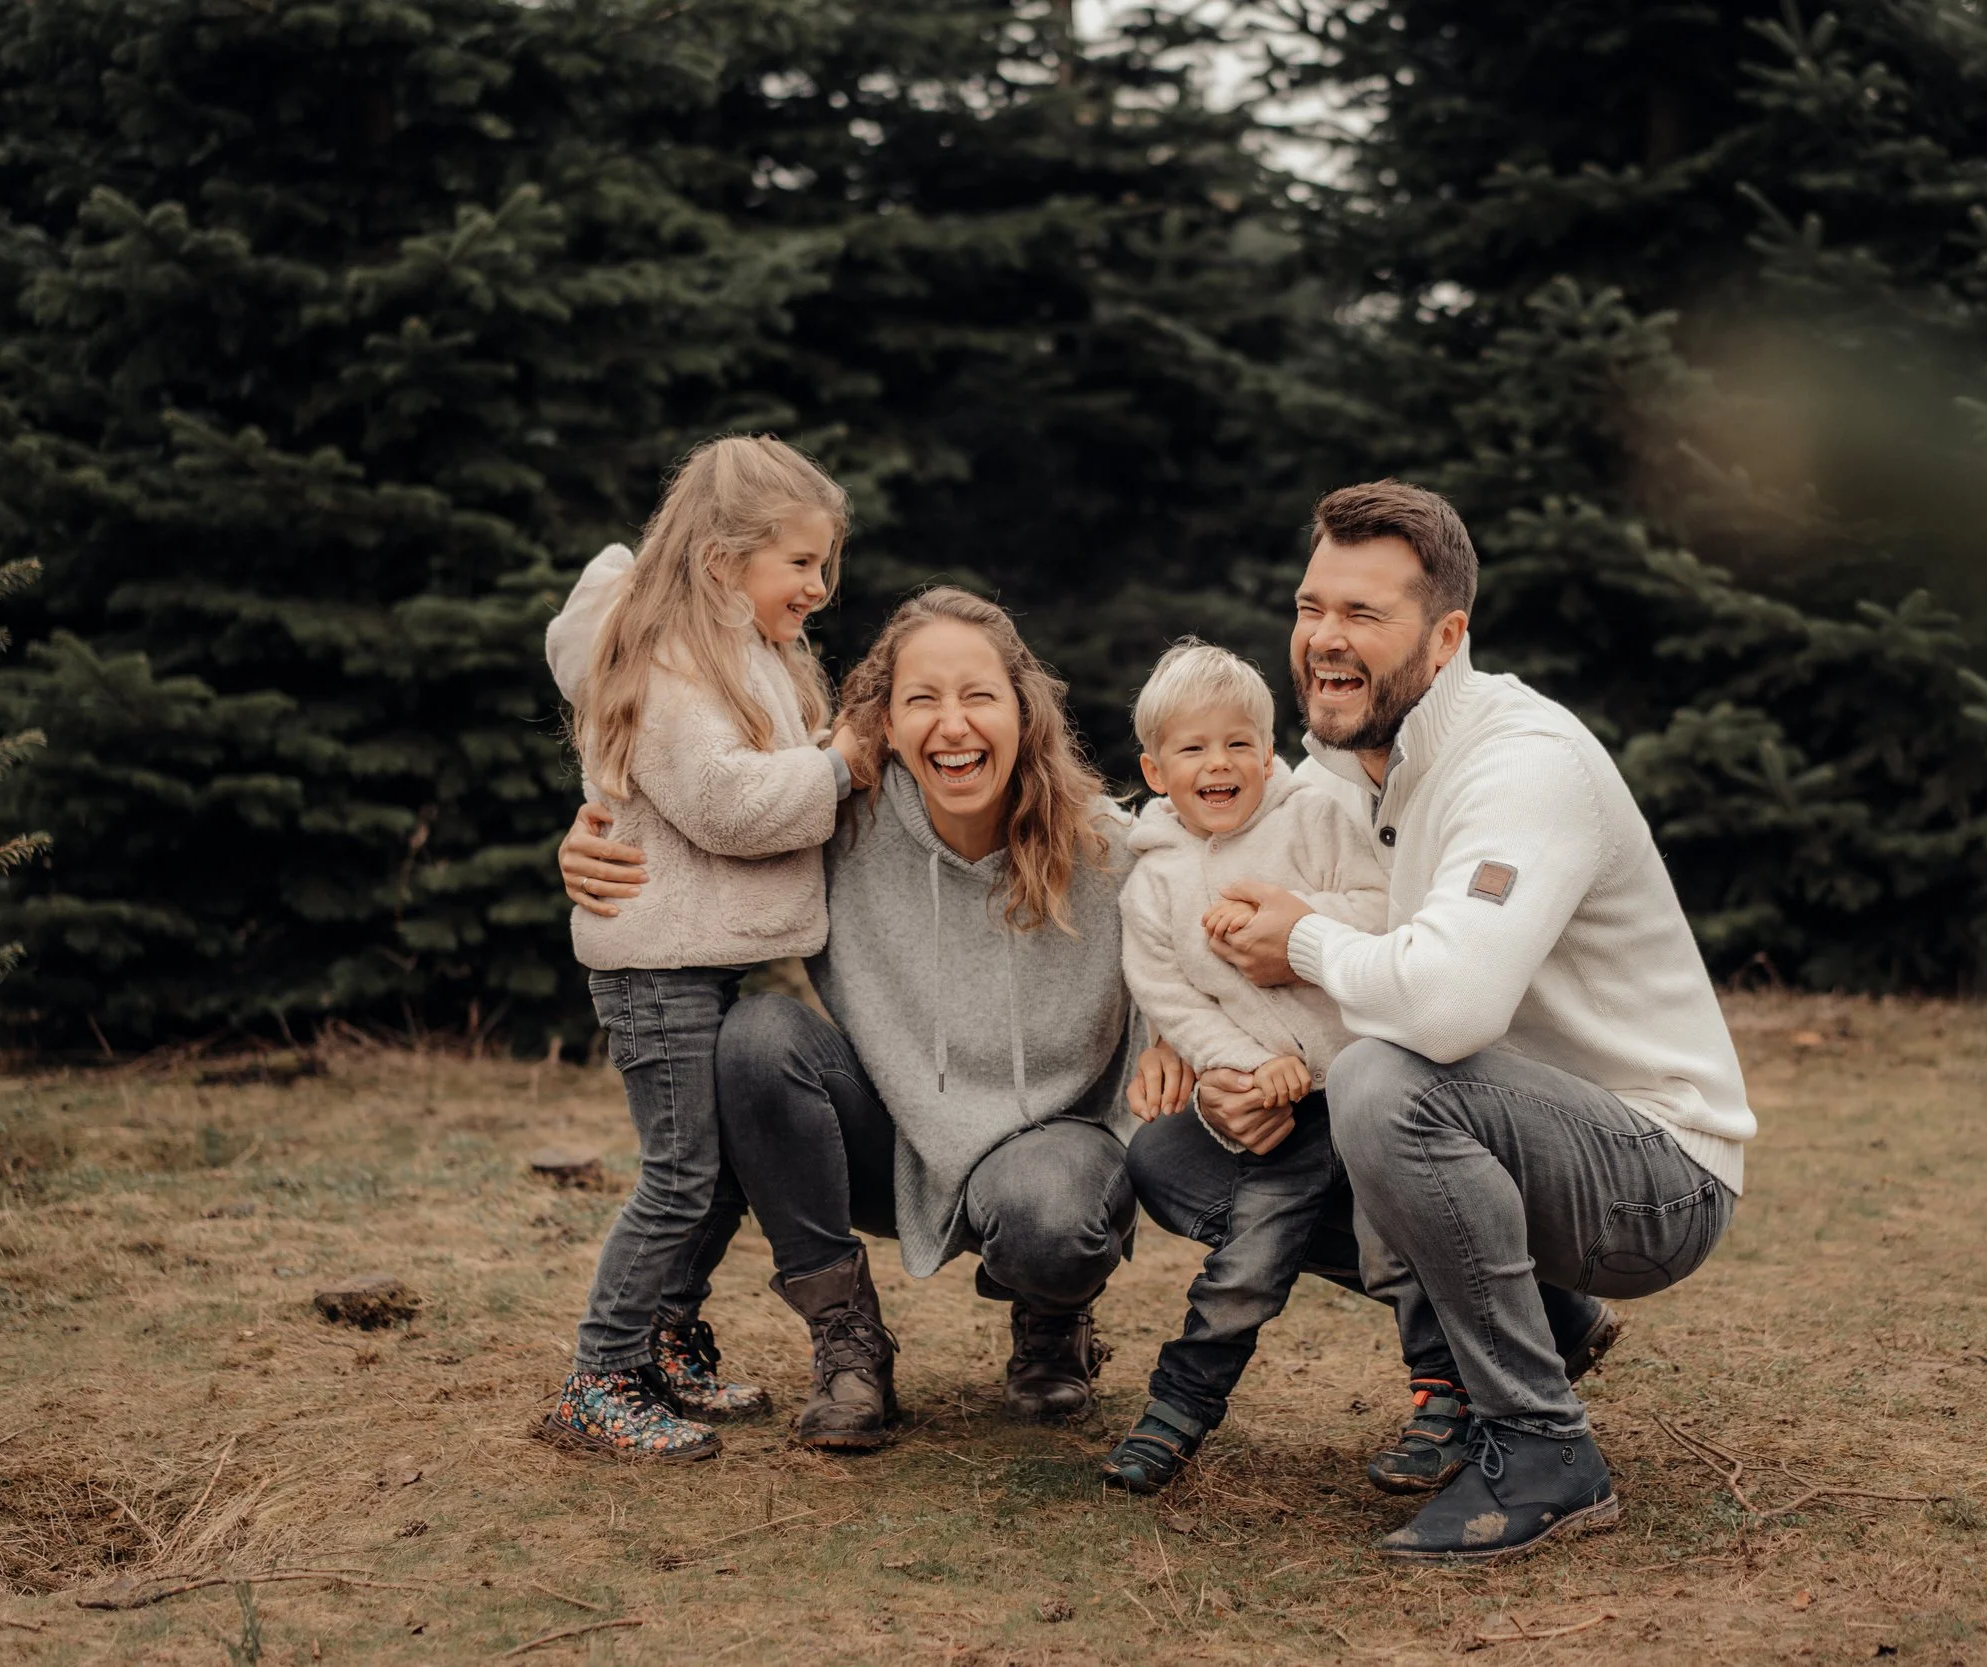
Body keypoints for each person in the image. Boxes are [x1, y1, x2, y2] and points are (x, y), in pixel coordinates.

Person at [1150, 479, 1756, 1563]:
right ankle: (1548, 1326)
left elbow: (1447, 1003)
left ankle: (1541, 1448)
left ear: (1446, 635)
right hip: (1500, 1138)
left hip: (1655, 1171)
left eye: (1362, 616)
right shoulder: (1339, 770)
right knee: (1179, 1155)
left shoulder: (1522, 764)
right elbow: (1207, 840)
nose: (1323, 641)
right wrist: (1203, 1044)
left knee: (1387, 1078)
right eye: (1308, 607)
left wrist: (1296, 939)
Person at [557, 586, 1162, 1450]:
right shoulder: (836, 824)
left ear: (1024, 712)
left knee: (1051, 1214)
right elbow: (709, 815)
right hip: (896, 1134)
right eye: (923, 699)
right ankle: (847, 1341)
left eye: (978, 697)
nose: (952, 725)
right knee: (756, 1040)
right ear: (884, 722)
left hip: (1048, 1146)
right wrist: (593, 841)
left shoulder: (1111, 847)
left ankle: (1052, 1318)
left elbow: (1234, 838)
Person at [539, 435, 866, 1464]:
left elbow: (748, 770)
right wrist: (844, 767)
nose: (820, 585)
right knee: (680, 1176)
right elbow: (727, 804)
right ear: (725, 561)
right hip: (655, 970)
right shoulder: (676, 662)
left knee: (715, 1172)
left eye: (826, 563)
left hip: (695, 960)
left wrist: (824, 754)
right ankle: (598, 1378)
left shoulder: (742, 653)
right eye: (801, 563)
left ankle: (665, 1342)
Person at [1097, 641, 1387, 1494]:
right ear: (1155, 769)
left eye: (1237, 744)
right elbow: (1172, 1003)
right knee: (1246, 1265)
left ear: (1268, 752)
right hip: (1282, 1111)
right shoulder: (1153, 886)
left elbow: (1380, 911)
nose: (1217, 763)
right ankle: (1175, 1414)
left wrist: (1301, 920)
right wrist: (1251, 1065)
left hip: (1371, 1088)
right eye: (1192, 749)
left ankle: (1449, 1396)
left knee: (1399, 1246)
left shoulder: (1316, 821)